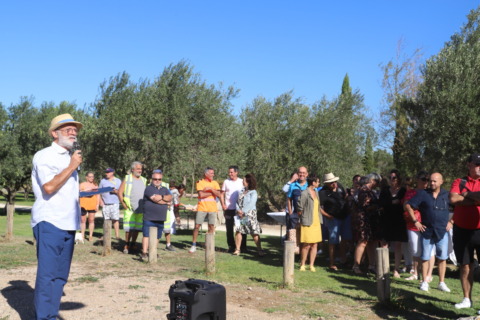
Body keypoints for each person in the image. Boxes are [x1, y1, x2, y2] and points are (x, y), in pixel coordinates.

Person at [31, 113, 83, 319]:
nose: (73, 133)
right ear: (54, 133)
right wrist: (72, 166)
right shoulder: (45, 156)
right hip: (50, 222)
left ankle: (50, 316)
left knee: (60, 277)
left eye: (75, 129)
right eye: (67, 129)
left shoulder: (69, 158)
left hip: (68, 223)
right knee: (48, 276)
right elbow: (49, 187)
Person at [405, 172, 451, 293]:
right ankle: (424, 281)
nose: (432, 183)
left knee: (442, 258)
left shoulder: (447, 195)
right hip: (427, 231)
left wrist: (452, 221)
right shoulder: (423, 194)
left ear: (442, 181)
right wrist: (416, 221)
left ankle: (441, 282)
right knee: (425, 257)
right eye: (431, 181)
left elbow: (459, 207)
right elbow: (408, 205)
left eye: (435, 181)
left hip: (442, 232)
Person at [450, 153, 480, 309]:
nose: (479, 167)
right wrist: (475, 200)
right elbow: (453, 199)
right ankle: (467, 299)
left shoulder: (464, 187)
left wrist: (467, 195)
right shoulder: (459, 181)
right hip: (461, 230)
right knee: (465, 265)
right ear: (469, 165)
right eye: (477, 164)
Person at [402, 171, 434, 282]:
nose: (426, 182)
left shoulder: (431, 192)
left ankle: (428, 274)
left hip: (427, 224)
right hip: (413, 224)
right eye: (423, 179)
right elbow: (406, 206)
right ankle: (415, 272)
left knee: (429, 250)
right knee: (415, 250)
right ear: (417, 179)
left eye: (427, 179)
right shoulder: (411, 192)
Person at [319, 172, 351, 270]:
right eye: (331, 182)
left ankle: (343, 260)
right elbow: (318, 207)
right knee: (333, 241)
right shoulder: (323, 192)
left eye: (335, 181)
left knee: (345, 238)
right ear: (327, 184)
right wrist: (327, 215)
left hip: (345, 216)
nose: (334, 184)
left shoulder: (340, 186)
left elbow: (345, 197)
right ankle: (332, 263)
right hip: (333, 218)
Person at [352, 173, 382, 274]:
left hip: (371, 219)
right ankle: (356, 266)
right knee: (363, 241)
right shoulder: (364, 190)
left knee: (371, 242)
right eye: (377, 182)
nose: (377, 184)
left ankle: (371, 265)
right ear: (372, 181)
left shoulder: (370, 191)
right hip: (363, 219)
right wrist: (377, 207)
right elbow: (365, 205)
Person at [379, 169, 407, 278]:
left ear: (398, 179)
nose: (392, 180)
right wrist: (391, 202)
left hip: (399, 220)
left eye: (394, 178)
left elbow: (405, 204)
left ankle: (396, 269)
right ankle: (384, 269)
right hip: (386, 219)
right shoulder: (385, 190)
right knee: (384, 244)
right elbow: (381, 203)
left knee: (397, 245)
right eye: (390, 178)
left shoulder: (403, 190)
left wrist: (396, 203)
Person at [140, 171, 173, 260]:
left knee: (158, 236)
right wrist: (165, 202)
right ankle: (144, 252)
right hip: (149, 217)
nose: (157, 181)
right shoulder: (148, 189)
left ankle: (153, 252)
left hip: (161, 218)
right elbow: (155, 200)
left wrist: (162, 197)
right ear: (152, 180)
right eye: (155, 179)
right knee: (146, 235)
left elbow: (170, 197)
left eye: (159, 179)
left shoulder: (165, 189)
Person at [189, 167, 221, 253]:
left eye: (213, 173)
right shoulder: (200, 182)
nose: (213, 175)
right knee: (197, 226)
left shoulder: (215, 183)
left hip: (212, 208)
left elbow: (219, 194)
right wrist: (213, 192)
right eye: (211, 173)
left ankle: (209, 245)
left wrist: (210, 189)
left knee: (211, 227)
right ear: (206, 174)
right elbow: (201, 195)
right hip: (202, 207)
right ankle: (193, 245)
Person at [118, 161, 147, 254]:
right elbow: (120, 192)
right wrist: (123, 204)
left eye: (141, 169)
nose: (140, 170)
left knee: (138, 228)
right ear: (133, 169)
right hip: (130, 208)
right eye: (138, 169)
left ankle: (133, 243)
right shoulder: (127, 178)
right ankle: (126, 244)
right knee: (129, 229)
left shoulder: (144, 180)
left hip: (141, 209)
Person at [233, 173, 265, 256]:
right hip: (240, 215)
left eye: (244, 181)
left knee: (253, 232)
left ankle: (260, 249)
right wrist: (238, 210)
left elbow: (251, 204)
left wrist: (243, 211)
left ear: (248, 182)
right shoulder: (241, 191)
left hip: (249, 215)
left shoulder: (253, 192)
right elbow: (237, 202)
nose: (242, 182)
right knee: (238, 231)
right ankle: (237, 249)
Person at [297, 173, 322, 272]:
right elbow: (299, 208)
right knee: (306, 244)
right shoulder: (304, 193)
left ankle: (311, 265)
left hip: (316, 222)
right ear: (313, 182)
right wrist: (302, 219)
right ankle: (303, 264)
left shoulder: (316, 192)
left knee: (315, 244)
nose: (319, 183)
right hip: (307, 221)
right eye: (317, 181)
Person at [220, 166, 246, 253]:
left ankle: (242, 247)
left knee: (241, 228)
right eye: (229, 172)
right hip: (229, 209)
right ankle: (231, 246)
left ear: (236, 172)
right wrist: (223, 204)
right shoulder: (226, 182)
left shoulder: (242, 181)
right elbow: (222, 194)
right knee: (229, 228)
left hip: (240, 209)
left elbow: (246, 193)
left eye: (231, 172)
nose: (230, 174)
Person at [287, 166, 309, 254]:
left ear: (307, 174)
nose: (302, 174)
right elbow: (289, 199)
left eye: (304, 173)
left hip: (307, 215)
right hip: (295, 214)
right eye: (300, 172)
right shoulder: (292, 186)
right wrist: (290, 212)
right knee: (293, 235)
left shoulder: (310, 186)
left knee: (305, 236)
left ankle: (304, 257)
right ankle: (292, 255)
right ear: (297, 173)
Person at [99, 168, 122, 239]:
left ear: (113, 172)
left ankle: (117, 235)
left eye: (108, 172)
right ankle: (106, 235)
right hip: (105, 203)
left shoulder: (118, 181)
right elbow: (99, 192)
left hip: (115, 203)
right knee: (106, 220)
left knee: (115, 219)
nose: (106, 173)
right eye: (106, 172)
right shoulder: (103, 181)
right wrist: (100, 201)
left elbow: (121, 192)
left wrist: (116, 192)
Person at [79, 171, 100, 242]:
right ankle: (82, 235)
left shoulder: (95, 185)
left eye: (93, 177)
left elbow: (98, 195)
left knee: (91, 220)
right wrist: (86, 190)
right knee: (83, 220)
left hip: (92, 205)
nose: (92, 178)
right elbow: (79, 193)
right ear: (86, 177)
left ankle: (90, 236)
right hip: (83, 205)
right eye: (90, 177)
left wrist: (97, 205)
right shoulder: (82, 184)